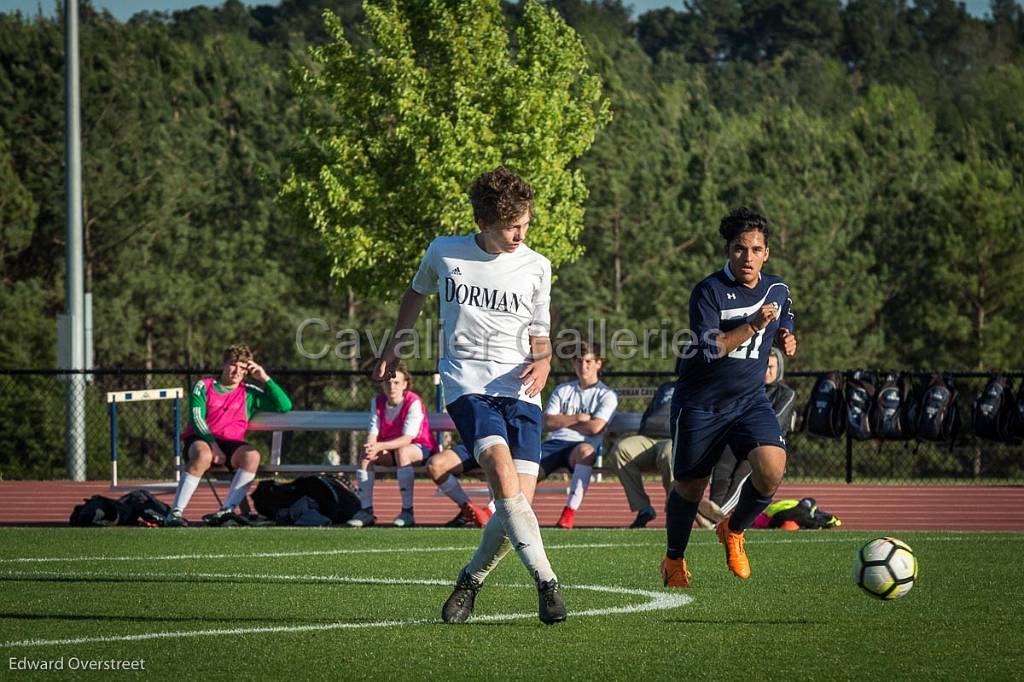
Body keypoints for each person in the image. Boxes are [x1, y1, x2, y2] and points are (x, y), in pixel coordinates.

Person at [374, 166, 566, 624]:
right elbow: (415, 294)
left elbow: (541, 331)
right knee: (500, 473)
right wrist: (394, 344)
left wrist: (544, 360)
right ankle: (547, 582)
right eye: (511, 226)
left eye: (526, 222)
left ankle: (470, 581)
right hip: (467, 384)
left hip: (521, 389)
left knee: (514, 504)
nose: (521, 232)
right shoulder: (445, 251)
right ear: (484, 223)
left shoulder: (538, 265)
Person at [661, 207, 797, 588]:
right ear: (728, 250)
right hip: (700, 404)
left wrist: (785, 334)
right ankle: (674, 559)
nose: (748, 257)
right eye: (740, 249)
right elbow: (711, 349)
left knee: (772, 468)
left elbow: (786, 311)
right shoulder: (708, 292)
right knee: (689, 488)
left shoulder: (777, 288)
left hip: (749, 400)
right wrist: (754, 325)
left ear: (766, 253)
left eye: (756, 249)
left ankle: (733, 530)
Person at [164, 344, 293, 526]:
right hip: (201, 440)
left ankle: (226, 511)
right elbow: (197, 419)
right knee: (203, 455)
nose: (237, 371)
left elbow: (285, 406)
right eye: (233, 365)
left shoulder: (249, 393)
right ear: (224, 364)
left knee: (252, 456)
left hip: (231, 444)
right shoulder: (204, 386)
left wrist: (264, 378)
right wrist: (214, 446)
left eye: (243, 368)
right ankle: (175, 513)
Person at [697, 346, 797, 527]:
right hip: (739, 438)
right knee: (722, 469)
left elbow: (775, 421)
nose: (767, 371)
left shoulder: (786, 394)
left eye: (771, 367)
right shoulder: (750, 389)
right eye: (764, 366)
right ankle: (713, 511)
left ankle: (716, 518)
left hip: (765, 445)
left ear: (779, 369)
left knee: (742, 476)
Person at [348, 362, 438, 528]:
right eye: (388, 382)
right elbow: (373, 432)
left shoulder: (413, 402)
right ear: (382, 384)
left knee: (402, 451)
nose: (392, 386)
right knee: (365, 453)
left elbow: (407, 439)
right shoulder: (378, 402)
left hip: (419, 448)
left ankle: (407, 511)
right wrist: (370, 446)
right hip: (391, 450)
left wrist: (379, 447)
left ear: (405, 384)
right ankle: (366, 510)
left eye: (396, 382)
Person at [538, 342, 618, 529]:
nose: (583, 366)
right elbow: (548, 423)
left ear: (599, 363)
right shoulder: (563, 390)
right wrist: (578, 418)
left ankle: (568, 513)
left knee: (586, 451)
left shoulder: (606, 395)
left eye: (589, 361)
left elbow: (595, 428)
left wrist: (563, 420)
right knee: (524, 472)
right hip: (553, 445)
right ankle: (498, 514)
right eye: (579, 361)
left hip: (579, 447)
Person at [610, 381, 675, 528]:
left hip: (674, 438)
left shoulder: (699, 385)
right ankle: (644, 509)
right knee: (621, 449)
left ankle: (674, 511)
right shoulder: (665, 386)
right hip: (648, 438)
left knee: (669, 453)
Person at [426, 443, 493, 527]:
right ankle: (467, 509)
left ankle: (493, 511)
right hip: (472, 445)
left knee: (498, 461)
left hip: (501, 446)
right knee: (434, 465)